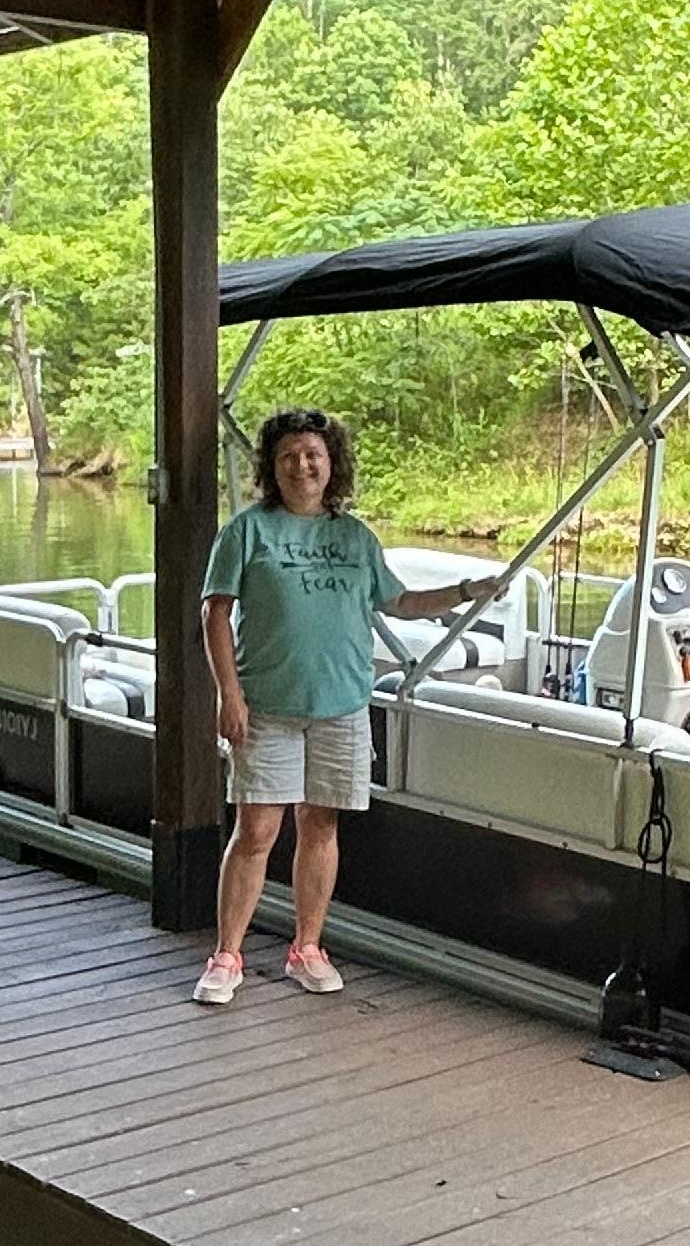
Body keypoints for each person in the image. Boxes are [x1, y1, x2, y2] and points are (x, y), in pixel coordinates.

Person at [192, 406, 482, 1008]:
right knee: (257, 830)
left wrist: (463, 593)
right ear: (274, 467)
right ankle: (226, 956)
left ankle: (308, 948)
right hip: (266, 704)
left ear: (332, 466)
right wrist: (229, 692)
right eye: (290, 455)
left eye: (314, 455)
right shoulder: (247, 532)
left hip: (341, 706)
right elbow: (214, 611)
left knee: (320, 825)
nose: (303, 465)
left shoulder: (354, 538)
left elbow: (399, 602)